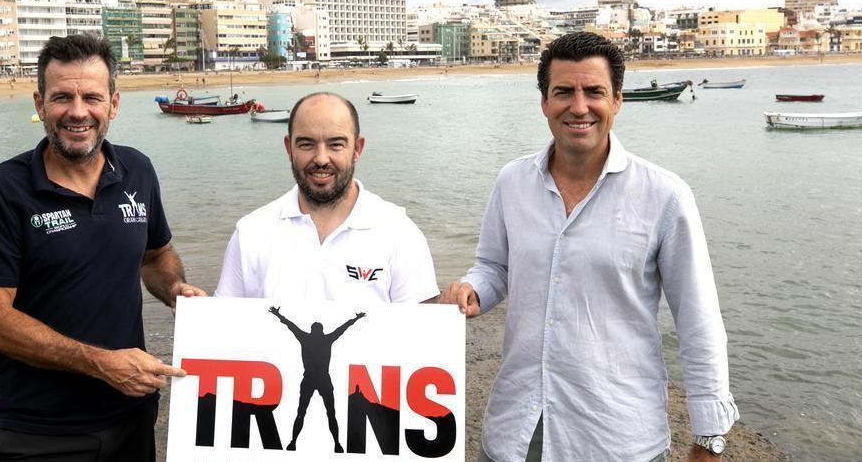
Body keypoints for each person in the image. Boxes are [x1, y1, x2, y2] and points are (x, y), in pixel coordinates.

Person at [440, 32, 738, 462]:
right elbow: (494, 266)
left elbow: (698, 320)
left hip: (617, 436)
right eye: (564, 92)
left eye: (593, 92)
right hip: (516, 429)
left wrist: (710, 437)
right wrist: (472, 289)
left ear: (617, 100)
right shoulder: (512, 181)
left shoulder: (665, 196)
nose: (579, 107)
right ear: (544, 102)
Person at [0, 34, 207, 461]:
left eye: (92, 97)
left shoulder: (137, 170)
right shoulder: (2, 190)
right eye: (62, 98)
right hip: (39, 432)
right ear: (40, 105)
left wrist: (175, 290)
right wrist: (101, 362)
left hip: (132, 417)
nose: (78, 112)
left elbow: (156, 255)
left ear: (113, 104)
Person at [216, 92, 438, 304]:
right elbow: (225, 326)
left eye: (336, 144)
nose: (321, 159)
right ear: (289, 148)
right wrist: (196, 308)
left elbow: (421, 333)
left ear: (357, 149)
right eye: (306, 144)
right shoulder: (251, 232)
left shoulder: (399, 232)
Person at [269, 306, 366, 453]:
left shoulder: (306, 338)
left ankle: (294, 443)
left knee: (303, 412)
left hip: (310, 378)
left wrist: (278, 314)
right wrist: (356, 319)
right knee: (329, 413)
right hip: (321, 379)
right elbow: (342, 328)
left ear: (313, 330)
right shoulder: (326, 339)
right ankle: (336, 444)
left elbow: (291, 325)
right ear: (320, 331)